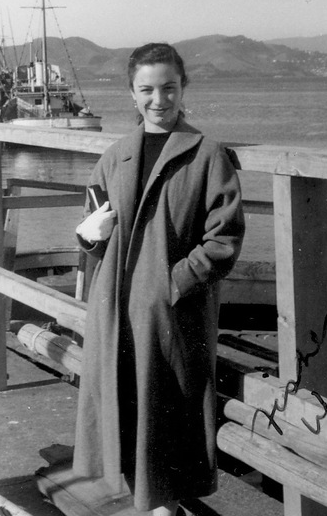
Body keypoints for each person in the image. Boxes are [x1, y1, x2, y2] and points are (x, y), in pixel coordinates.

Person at [73, 43, 245, 516]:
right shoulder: (114, 157)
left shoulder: (207, 155)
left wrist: (172, 284)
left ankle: (162, 507)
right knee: (124, 410)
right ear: (131, 93)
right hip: (115, 312)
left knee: (166, 412)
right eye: (146, 89)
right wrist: (88, 236)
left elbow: (224, 239)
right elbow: (91, 234)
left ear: (183, 88)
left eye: (169, 88)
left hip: (171, 314)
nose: (159, 99)